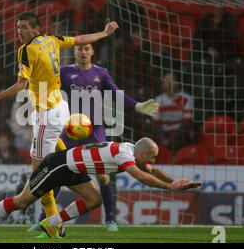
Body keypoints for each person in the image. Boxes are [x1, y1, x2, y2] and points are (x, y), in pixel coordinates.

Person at [0, 12, 119, 235]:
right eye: (17, 27)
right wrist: (104, 33)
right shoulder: (51, 39)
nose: (19, 31)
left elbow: (20, 85)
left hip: (47, 117)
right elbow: (79, 40)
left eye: (23, 27)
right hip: (60, 107)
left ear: (35, 29)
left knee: (38, 177)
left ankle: (51, 222)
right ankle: (53, 220)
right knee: (55, 164)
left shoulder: (25, 50)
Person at [29, 43, 159, 232]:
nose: (83, 52)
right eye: (79, 49)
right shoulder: (64, 72)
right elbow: (48, 87)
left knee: (103, 177)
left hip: (95, 131)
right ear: (74, 52)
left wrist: (137, 106)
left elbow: (116, 94)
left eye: (86, 48)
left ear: (92, 52)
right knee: (56, 175)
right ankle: (44, 219)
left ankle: (110, 220)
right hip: (70, 131)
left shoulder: (102, 73)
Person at [0, 137, 202, 238]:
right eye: (151, 157)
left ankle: (50, 224)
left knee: (94, 199)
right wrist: (169, 188)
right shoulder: (123, 154)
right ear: (141, 154)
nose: (153, 161)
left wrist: (172, 182)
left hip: (74, 169)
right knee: (22, 201)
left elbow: (151, 171)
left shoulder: (132, 150)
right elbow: (141, 176)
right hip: (58, 165)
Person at [152, 72, 194, 152]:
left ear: (177, 83)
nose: (168, 83)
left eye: (170, 80)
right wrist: (162, 139)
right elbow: (156, 123)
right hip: (164, 135)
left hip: (180, 136)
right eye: (166, 80)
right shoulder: (158, 100)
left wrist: (171, 140)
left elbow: (187, 123)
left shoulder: (186, 98)